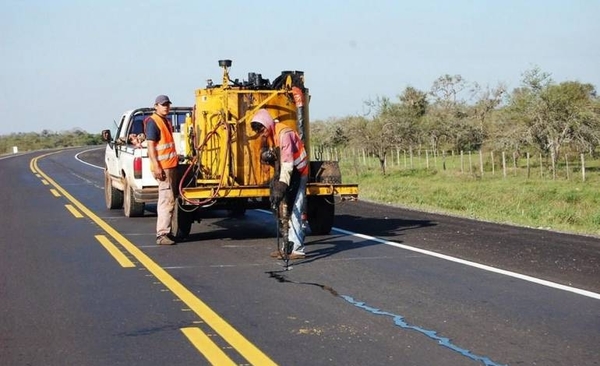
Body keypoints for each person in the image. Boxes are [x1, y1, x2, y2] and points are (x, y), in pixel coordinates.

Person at [250, 109, 308, 260]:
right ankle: (286, 248)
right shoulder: (273, 134)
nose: (262, 134)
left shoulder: (284, 134)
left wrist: (281, 186)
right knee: (283, 210)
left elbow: (288, 163)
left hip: (299, 171)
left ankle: (298, 249)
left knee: (295, 207)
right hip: (288, 171)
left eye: (262, 130)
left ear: (267, 124)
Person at [145, 95, 179, 245]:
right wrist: (157, 166)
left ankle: (167, 231)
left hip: (169, 166)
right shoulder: (154, 122)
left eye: (167, 104)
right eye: (163, 104)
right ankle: (162, 234)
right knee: (166, 200)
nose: (166, 107)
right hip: (163, 168)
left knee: (170, 199)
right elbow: (151, 146)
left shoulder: (165, 121)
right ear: (156, 106)